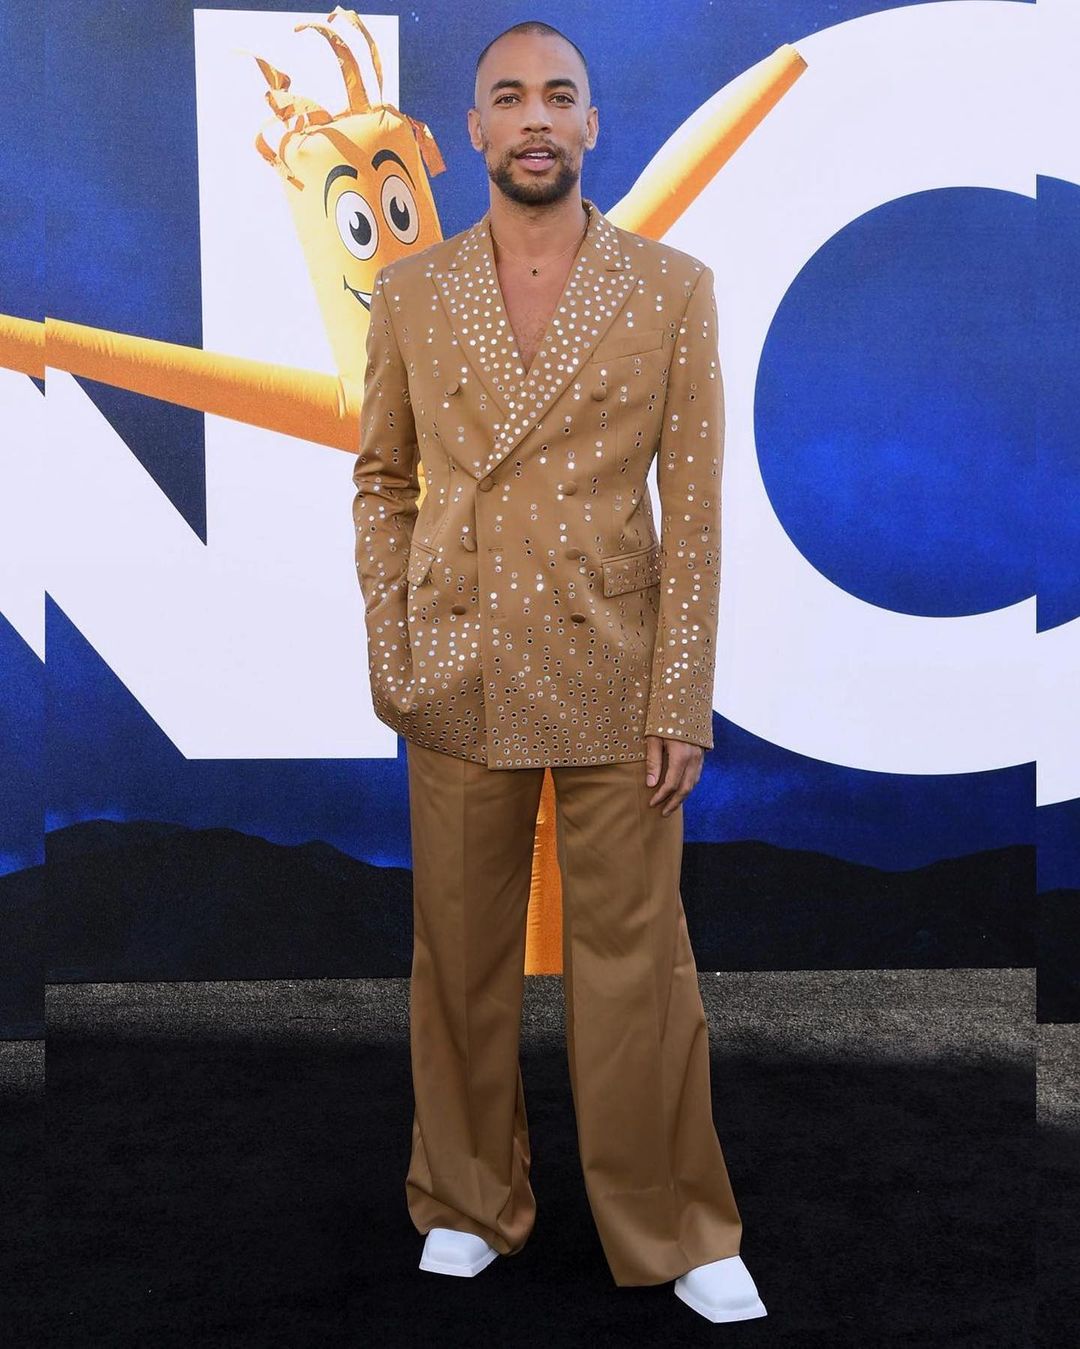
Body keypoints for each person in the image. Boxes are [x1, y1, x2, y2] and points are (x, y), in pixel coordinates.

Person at [351, 19, 767, 1324]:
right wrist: (395, 646)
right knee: (459, 960)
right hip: (457, 669)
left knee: (639, 973)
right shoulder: (412, 293)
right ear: (472, 130)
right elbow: (383, 481)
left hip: (616, 674)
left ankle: (679, 1225)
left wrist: (681, 691)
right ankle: (467, 1200)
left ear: (592, 125)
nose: (536, 117)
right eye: (510, 97)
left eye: (559, 96)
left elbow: (695, 510)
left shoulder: (671, 286)